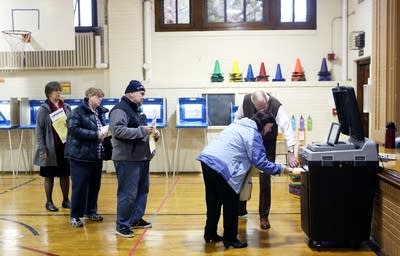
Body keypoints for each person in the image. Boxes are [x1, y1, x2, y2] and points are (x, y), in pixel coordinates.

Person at [197, 109, 292, 249]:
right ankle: (230, 239)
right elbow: (260, 162)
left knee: (213, 200)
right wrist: (282, 169)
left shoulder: (237, 125)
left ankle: (210, 234)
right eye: (270, 127)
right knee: (230, 202)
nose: (269, 130)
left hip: (207, 160)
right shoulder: (253, 134)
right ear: (264, 124)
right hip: (222, 166)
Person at [236, 90, 298, 229]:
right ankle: (240, 208)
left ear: (267, 99)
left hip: (267, 144)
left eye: (264, 107)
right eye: (258, 109)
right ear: (252, 102)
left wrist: (291, 153)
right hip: (249, 142)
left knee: (265, 179)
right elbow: (237, 120)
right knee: (242, 175)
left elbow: (287, 128)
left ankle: (264, 216)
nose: (262, 111)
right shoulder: (245, 101)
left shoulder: (276, 106)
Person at [109, 80, 160, 238]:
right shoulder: (120, 110)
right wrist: (142, 130)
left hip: (141, 157)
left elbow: (142, 131)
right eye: (141, 94)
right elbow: (117, 130)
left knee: (142, 191)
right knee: (128, 193)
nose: (144, 97)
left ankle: (135, 219)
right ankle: (122, 225)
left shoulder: (137, 110)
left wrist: (153, 134)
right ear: (130, 93)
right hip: (127, 159)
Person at [65, 88, 109, 227]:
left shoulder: (99, 112)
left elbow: (101, 129)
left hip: (96, 154)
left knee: (94, 186)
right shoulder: (77, 112)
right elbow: (74, 130)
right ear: (90, 96)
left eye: (102, 97)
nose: (100, 99)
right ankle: (75, 215)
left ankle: (90, 211)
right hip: (80, 156)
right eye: (98, 96)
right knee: (79, 187)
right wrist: (96, 134)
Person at [33, 81, 71, 212]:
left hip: (64, 147)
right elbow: (39, 131)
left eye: (59, 90)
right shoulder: (43, 109)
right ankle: (49, 202)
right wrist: (42, 148)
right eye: (56, 91)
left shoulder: (66, 106)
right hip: (50, 148)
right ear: (49, 93)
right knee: (49, 176)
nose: (59, 93)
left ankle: (66, 200)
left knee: (65, 175)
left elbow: (71, 122)